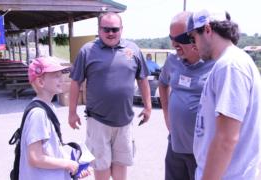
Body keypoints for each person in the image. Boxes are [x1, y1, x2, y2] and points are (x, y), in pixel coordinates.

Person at [68, 12, 152, 180]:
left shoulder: (133, 50)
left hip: (125, 121)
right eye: (106, 29)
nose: (110, 33)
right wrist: (72, 112)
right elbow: (75, 82)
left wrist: (148, 107)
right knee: (101, 165)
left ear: (121, 29)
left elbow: (143, 80)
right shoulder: (87, 51)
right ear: (99, 30)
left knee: (121, 164)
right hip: (98, 121)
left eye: (114, 29)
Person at [187, 9, 261, 179]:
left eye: (193, 38)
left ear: (207, 30)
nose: (193, 45)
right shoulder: (229, 63)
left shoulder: (230, 66)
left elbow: (226, 139)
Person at [158, 11, 215, 180]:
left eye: (180, 38)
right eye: (171, 38)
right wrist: (167, 116)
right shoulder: (172, 61)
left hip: (202, 152)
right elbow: (162, 83)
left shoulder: (216, 64)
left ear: (194, 37)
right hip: (175, 146)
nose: (174, 43)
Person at [19, 57, 90, 180]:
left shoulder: (48, 107)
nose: (61, 79)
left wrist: (74, 166)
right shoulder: (38, 114)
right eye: (56, 76)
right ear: (41, 82)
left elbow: (51, 149)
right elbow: (35, 157)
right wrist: (67, 164)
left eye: (61, 75)